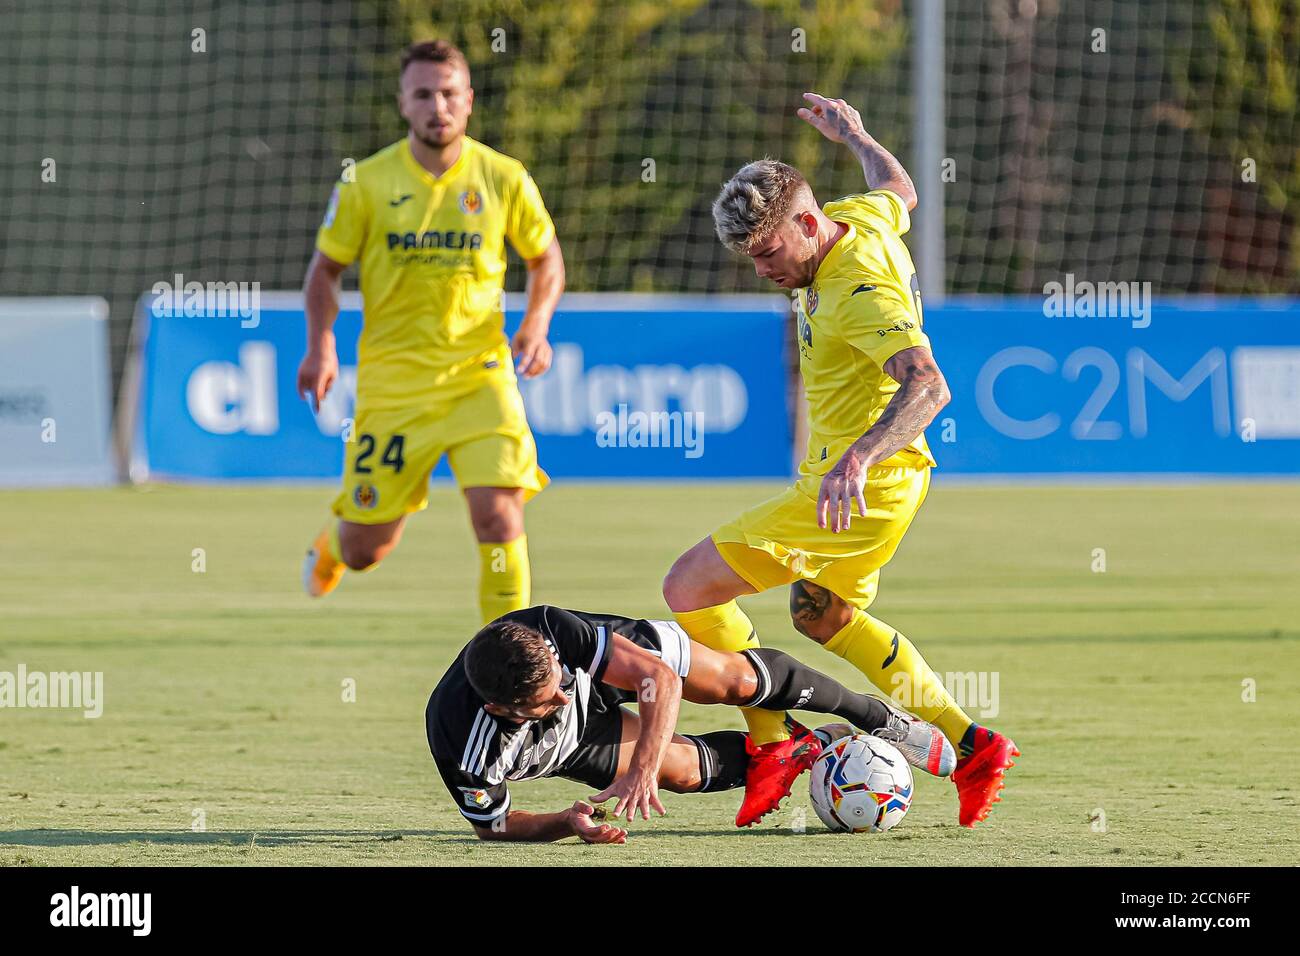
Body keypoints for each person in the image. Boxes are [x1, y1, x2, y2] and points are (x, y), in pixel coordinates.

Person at [662, 93, 1018, 828]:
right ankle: (971, 743)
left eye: (767, 253)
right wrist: (856, 134)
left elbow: (929, 385)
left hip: (859, 486)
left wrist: (855, 458)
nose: (761, 270)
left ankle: (772, 749)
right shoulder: (857, 217)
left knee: (689, 588)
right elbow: (901, 189)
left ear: (805, 223)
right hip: (876, 485)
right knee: (820, 616)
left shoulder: (857, 288)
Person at [298, 40, 564, 626]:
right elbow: (325, 270)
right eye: (423, 94)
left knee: (500, 516)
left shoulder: (503, 177)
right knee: (369, 547)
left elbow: (546, 259)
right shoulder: (366, 183)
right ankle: (335, 547)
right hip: (394, 386)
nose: (437, 106)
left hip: (480, 377)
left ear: (468, 101)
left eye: (449, 93)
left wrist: (536, 324)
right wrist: (321, 345)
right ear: (404, 104)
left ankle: (514, 662)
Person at [425, 605, 955, 843]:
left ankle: (875, 716)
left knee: (725, 681)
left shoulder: (546, 632)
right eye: (547, 702)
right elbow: (492, 826)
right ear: (501, 710)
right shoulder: (465, 750)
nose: (563, 697)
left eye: (559, 684)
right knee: (681, 774)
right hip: (572, 745)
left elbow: (659, 679)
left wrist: (640, 768)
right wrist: (567, 822)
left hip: (612, 667)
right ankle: (812, 747)